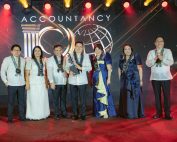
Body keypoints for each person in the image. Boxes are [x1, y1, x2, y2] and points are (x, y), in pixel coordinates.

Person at [146, 36, 174, 120]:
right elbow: (148, 64)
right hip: (155, 78)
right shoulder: (151, 52)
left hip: (166, 77)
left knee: (167, 96)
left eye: (161, 41)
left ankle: (167, 114)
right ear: (155, 43)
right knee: (157, 96)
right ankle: (158, 113)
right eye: (157, 41)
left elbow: (171, 62)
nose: (159, 43)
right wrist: (155, 59)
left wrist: (162, 59)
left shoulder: (167, 51)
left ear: (163, 43)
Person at [65, 41, 92, 120]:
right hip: (72, 80)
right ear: (74, 47)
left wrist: (81, 68)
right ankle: (75, 114)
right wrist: (69, 71)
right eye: (77, 46)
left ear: (83, 48)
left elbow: (90, 68)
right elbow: (66, 67)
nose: (79, 48)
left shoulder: (86, 56)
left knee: (83, 99)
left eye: (80, 46)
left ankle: (83, 114)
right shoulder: (70, 56)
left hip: (82, 81)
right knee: (74, 98)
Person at [1, 44, 26, 123]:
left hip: (21, 84)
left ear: (20, 51)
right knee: (11, 102)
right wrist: (5, 81)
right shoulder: (7, 59)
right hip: (11, 85)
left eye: (18, 50)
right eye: (15, 50)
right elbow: (2, 71)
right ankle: (10, 118)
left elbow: (25, 71)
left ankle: (22, 117)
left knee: (22, 102)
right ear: (11, 51)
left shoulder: (23, 60)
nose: (17, 51)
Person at [118, 44, 144, 119]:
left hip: (134, 79)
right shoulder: (121, 59)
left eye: (129, 49)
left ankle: (134, 113)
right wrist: (120, 78)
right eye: (125, 49)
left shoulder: (135, 57)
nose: (127, 50)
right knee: (126, 97)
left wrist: (141, 80)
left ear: (131, 50)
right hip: (124, 80)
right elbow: (119, 69)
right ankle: (126, 112)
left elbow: (140, 69)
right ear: (123, 51)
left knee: (133, 96)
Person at [92, 43, 117, 118]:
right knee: (97, 95)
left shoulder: (106, 55)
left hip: (103, 77)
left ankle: (105, 112)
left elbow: (109, 68)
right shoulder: (94, 58)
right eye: (96, 49)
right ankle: (99, 112)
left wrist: (109, 78)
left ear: (101, 49)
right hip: (96, 78)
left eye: (99, 49)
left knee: (105, 94)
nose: (97, 50)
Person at [25, 46, 50, 120]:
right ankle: (33, 115)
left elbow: (45, 73)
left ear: (41, 52)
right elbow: (27, 74)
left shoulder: (44, 61)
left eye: (39, 51)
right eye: (35, 51)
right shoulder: (30, 61)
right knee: (33, 99)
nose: (37, 52)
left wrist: (46, 83)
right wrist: (27, 83)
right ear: (33, 52)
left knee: (42, 99)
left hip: (42, 83)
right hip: (33, 83)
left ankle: (43, 114)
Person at [47, 44, 67, 119]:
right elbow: (49, 71)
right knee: (55, 99)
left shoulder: (65, 58)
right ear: (54, 51)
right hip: (55, 82)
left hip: (63, 81)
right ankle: (56, 113)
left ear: (62, 51)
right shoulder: (50, 59)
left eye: (60, 50)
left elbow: (67, 68)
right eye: (56, 50)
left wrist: (67, 72)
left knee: (63, 98)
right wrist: (51, 82)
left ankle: (64, 112)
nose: (58, 51)